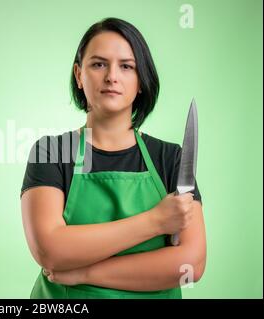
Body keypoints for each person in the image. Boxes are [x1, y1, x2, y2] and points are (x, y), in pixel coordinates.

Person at [20, 17, 206, 299]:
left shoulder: (171, 159)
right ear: (79, 75)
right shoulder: (52, 152)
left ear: (141, 79)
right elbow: (51, 250)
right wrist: (156, 221)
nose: (112, 76)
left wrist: (84, 273)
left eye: (127, 66)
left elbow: (190, 265)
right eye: (98, 64)